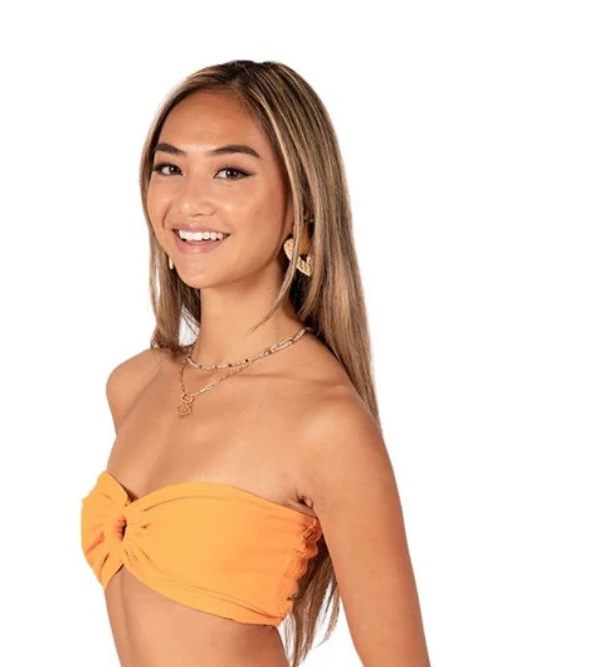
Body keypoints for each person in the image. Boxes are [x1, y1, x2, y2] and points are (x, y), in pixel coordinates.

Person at [80, 59, 430, 667]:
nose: (189, 201)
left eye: (230, 172)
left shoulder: (326, 423)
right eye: (170, 167)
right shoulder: (135, 386)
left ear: (301, 209)